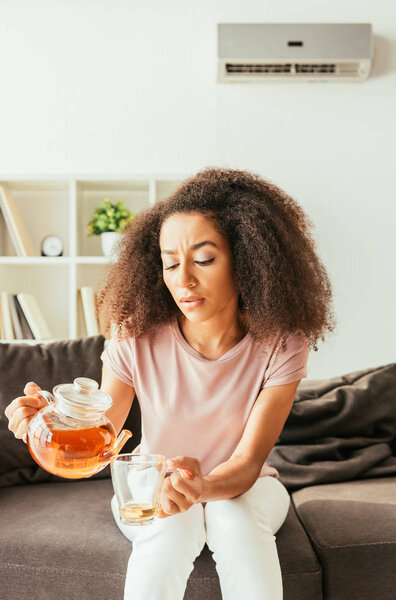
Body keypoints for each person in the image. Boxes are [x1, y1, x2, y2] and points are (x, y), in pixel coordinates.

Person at [5, 167, 335, 600]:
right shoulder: (135, 333)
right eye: (170, 263)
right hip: (150, 479)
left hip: (247, 484)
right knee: (170, 524)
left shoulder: (281, 342)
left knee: (231, 519)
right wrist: (48, 422)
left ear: (249, 259)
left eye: (203, 259)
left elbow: (248, 461)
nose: (184, 280)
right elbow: (103, 435)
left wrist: (205, 488)